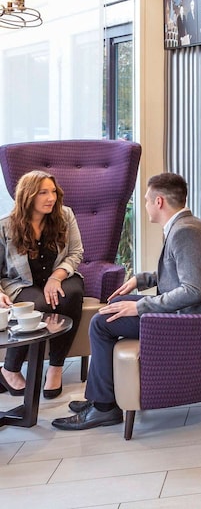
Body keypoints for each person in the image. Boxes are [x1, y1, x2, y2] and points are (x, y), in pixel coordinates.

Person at [52, 172, 201, 431]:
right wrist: (141, 280)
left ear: (159, 201)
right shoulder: (186, 226)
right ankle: (100, 398)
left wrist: (140, 306)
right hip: (193, 311)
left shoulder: (185, 232)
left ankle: (104, 408)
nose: (146, 205)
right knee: (114, 307)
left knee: (101, 323)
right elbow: (183, 273)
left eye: (147, 200)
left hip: (196, 320)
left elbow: (193, 290)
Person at [0, 170, 85, 399]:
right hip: (21, 283)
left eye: (53, 192)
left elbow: (76, 253)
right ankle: (9, 369)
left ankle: (56, 367)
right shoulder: (5, 225)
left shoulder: (65, 215)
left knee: (70, 295)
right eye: (43, 193)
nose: (51, 198)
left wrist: (56, 278)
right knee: (37, 306)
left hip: (60, 275)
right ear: (27, 196)